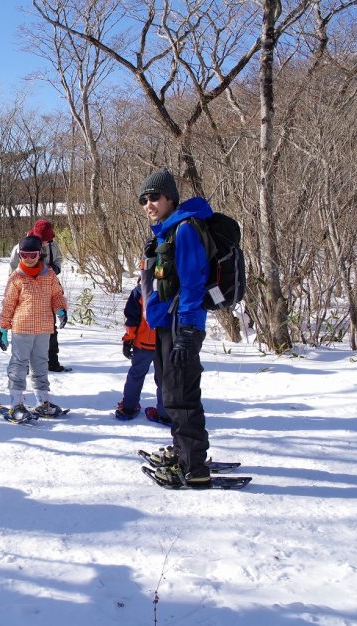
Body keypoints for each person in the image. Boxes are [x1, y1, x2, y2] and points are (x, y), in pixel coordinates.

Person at [138, 168, 213, 488]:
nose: (148, 204)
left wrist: (186, 331)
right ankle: (184, 451)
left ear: (170, 198)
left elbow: (194, 285)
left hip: (182, 326)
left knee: (182, 396)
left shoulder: (184, 231)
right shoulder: (165, 232)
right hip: (168, 324)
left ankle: (194, 466)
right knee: (171, 393)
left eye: (155, 197)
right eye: (144, 199)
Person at [0, 234, 69, 419]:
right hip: (22, 328)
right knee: (19, 364)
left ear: (40, 254)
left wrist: (60, 309)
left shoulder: (49, 274)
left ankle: (42, 401)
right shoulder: (16, 277)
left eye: (33, 255)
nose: (29, 259)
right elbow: (8, 304)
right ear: (19, 255)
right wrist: (4, 328)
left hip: (44, 328)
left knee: (40, 364)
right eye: (24, 255)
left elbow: (56, 295)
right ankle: (16, 402)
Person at [9, 219, 69, 372]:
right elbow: (12, 271)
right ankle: (25, 364)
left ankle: (52, 361)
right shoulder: (20, 247)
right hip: (26, 294)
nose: (44, 242)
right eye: (42, 239)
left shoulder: (52, 244)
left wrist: (54, 269)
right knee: (26, 329)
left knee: (50, 328)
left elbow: (59, 259)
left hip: (48, 290)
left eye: (46, 239)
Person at [116, 279, 170, 425]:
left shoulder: (140, 291)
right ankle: (165, 413)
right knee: (165, 378)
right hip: (166, 342)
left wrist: (128, 340)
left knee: (136, 374)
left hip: (144, 343)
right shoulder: (173, 287)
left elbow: (132, 320)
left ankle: (128, 407)